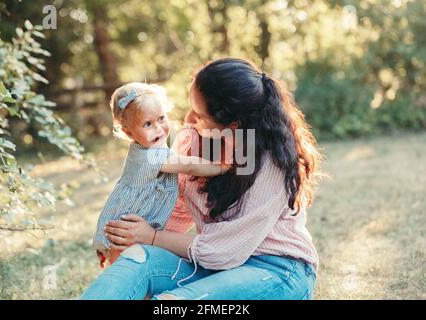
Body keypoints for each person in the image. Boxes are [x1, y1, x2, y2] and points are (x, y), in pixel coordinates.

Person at [81, 58, 322, 300]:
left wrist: (152, 237)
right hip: (210, 266)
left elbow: (225, 250)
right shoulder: (195, 139)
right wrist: (127, 241)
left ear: (233, 126)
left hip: (274, 269)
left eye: (199, 114)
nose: (188, 120)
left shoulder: (272, 163)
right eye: (190, 107)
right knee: (136, 261)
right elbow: (175, 208)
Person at [93, 82, 230, 267]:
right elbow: (188, 165)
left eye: (161, 118)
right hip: (128, 225)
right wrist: (221, 168)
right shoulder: (152, 156)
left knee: (130, 265)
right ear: (128, 132)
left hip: (126, 219)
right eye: (147, 124)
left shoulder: (145, 147)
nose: (158, 128)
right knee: (131, 268)